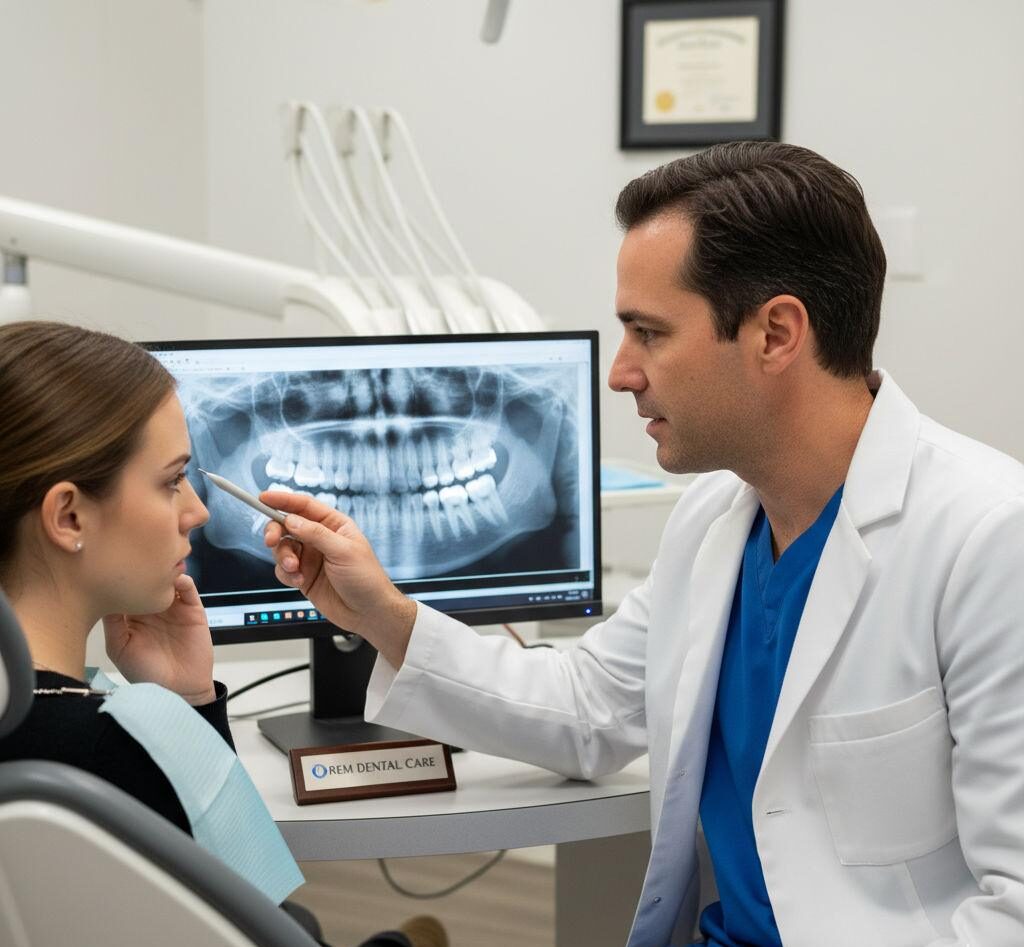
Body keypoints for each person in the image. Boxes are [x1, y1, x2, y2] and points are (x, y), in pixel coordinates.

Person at [261, 141, 1024, 947]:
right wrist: (383, 615)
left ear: (776, 333)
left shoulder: (989, 541)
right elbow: (590, 708)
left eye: (649, 333)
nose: (621, 372)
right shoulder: (715, 520)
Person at [0, 320, 445, 947]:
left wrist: (184, 699)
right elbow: (250, 919)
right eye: (171, 480)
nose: (198, 511)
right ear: (68, 515)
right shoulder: (117, 754)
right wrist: (184, 720)